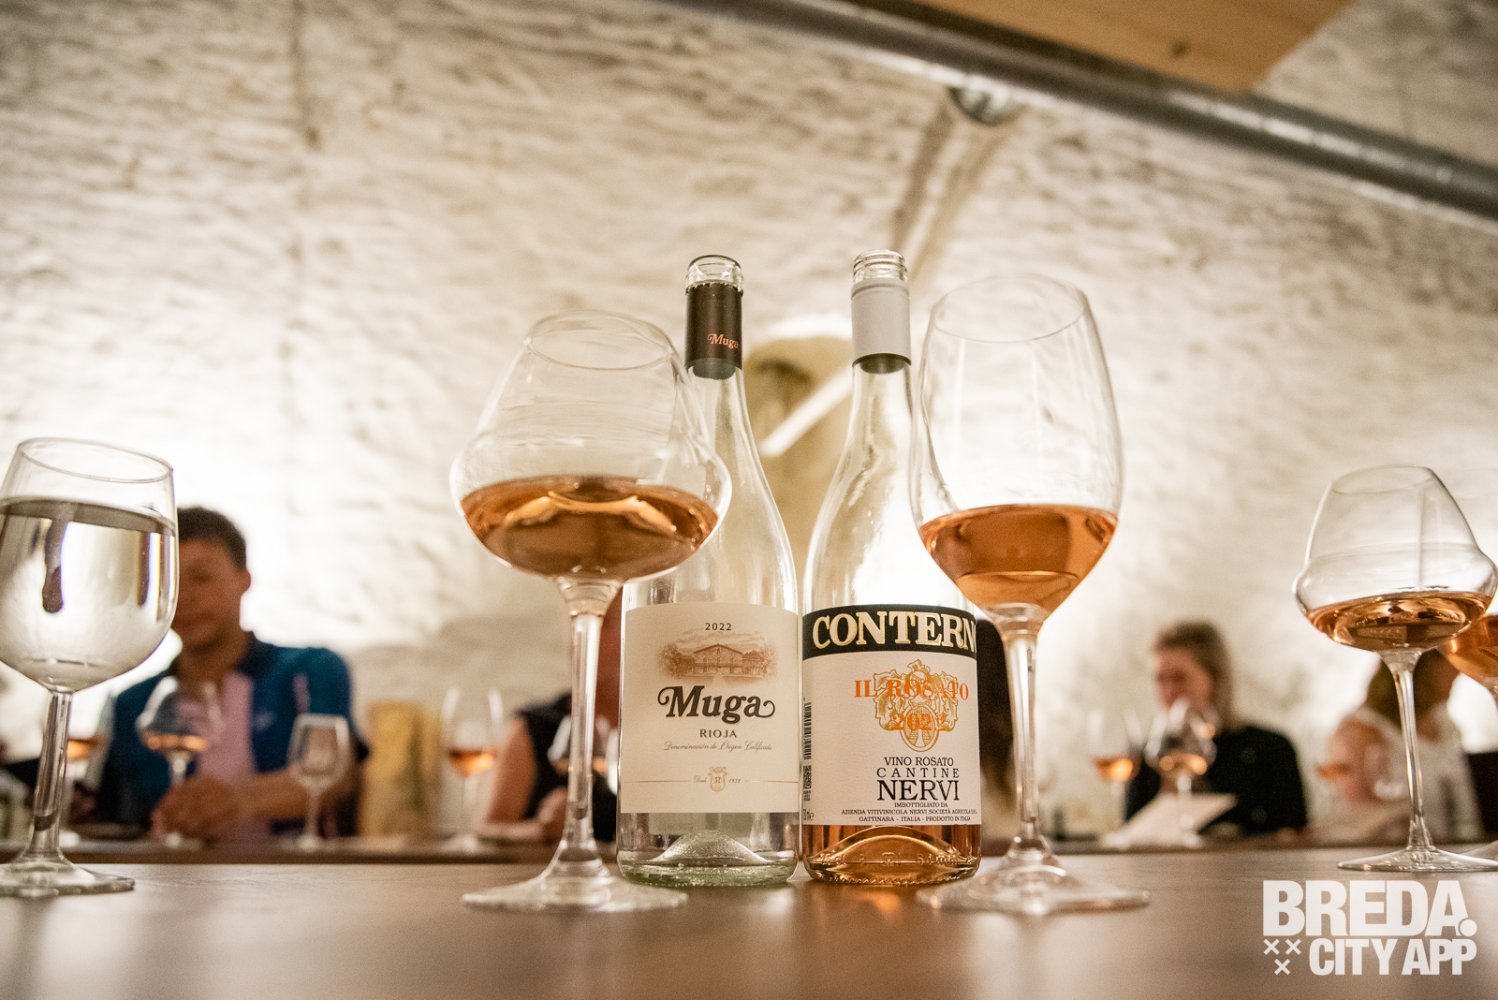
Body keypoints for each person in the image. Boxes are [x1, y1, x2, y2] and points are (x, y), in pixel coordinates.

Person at [90, 507, 363, 842]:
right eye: (169, 581)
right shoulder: (134, 703)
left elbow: (333, 776)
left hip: (294, 870)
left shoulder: (310, 671)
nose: (184, 597)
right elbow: (116, 817)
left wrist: (238, 800)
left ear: (243, 579)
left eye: (201, 577)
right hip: (172, 873)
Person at [1124, 621, 1308, 839]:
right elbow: (1131, 835)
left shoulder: (1271, 748)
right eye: (1160, 679)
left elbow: (1293, 832)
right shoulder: (1150, 755)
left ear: (1216, 679)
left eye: (1179, 678)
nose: (1169, 691)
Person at [482, 598, 620, 843]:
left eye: (603, 622)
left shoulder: (661, 732)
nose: (578, 636)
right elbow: (486, 827)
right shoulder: (536, 727)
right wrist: (540, 829)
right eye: (574, 622)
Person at [1314, 649, 1483, 844]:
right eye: (1450, 667)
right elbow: (1358, 810)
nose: (1457, 673)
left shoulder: (1445, 723)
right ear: (1422, 669)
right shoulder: (1360, 731)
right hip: (1376, 848)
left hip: (1446, 847)